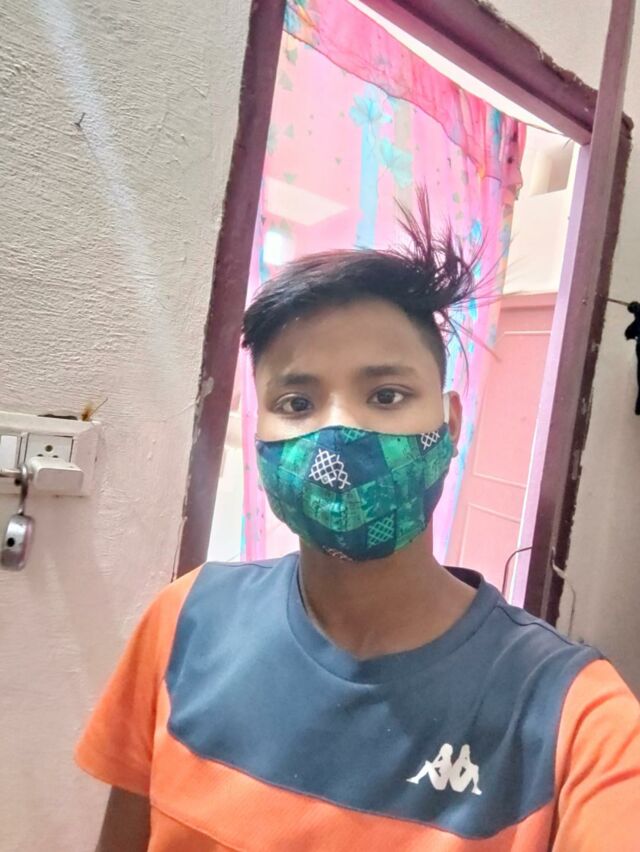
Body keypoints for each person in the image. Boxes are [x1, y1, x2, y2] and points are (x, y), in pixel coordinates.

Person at [76, 196, 640, 851]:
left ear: (450, 424)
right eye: (297, 402)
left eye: (386, 395)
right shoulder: (185, 620)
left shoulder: (577, 718)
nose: (340, 431)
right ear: (259, 434)